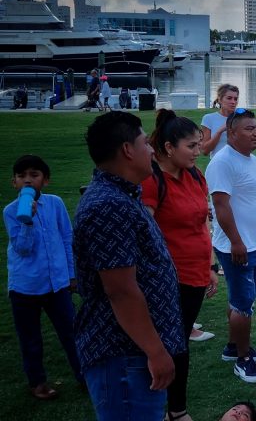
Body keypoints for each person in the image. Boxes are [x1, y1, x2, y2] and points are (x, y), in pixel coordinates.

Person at [75, 111, 184, 420]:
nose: (152, 150)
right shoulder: (108, 206)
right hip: (124, 355)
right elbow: (121, 291)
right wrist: (155, 351)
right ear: (127, 150)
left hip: (133, 353)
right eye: (144, 143)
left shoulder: (123, 197)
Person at [140, 110, 216, 421]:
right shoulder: (152, 181)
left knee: (179, 341)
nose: (199, 152)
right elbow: (144, 235)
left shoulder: (196, 175)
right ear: (169, 148)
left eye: (199, 145)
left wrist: (210, 267)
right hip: (169, 279)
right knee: (170, 344)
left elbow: (202, 224)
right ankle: (173, 410)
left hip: (196, 274)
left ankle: (173, 409)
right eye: (192, 146)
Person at [4, 155, 82, 401]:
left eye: (34, 175)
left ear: (45, 180)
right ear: (14, 182)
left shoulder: (55, 204)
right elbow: (22, 248)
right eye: (22, 176)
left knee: (72, 332)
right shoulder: (10, 211)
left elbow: (67, 239)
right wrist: (27, 221)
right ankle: (37, 382)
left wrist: (71, 275)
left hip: (57, 283)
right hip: (25, 286)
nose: (28, 180)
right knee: (30, 337)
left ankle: (85, 375)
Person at [207, 108, 256, 384]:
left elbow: (255, 200)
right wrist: (236, 241)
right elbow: (220, 206)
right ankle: (242, 360)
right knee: (243, 304)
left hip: (255, 244)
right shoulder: (223, 163)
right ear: (231, 133)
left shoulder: (251, 159)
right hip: (237, 247)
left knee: (242, 299)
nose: (255, 132)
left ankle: (234, 347)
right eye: (248, 129)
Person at [201, 84, 240, 157]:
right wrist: (220, 131)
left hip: (238, 164)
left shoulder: (241, 118)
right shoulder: (209, 119)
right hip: (218, 164)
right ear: (220, 99)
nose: (233, 102)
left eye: (235, 99)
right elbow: (205, 151)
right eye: (229, 98)